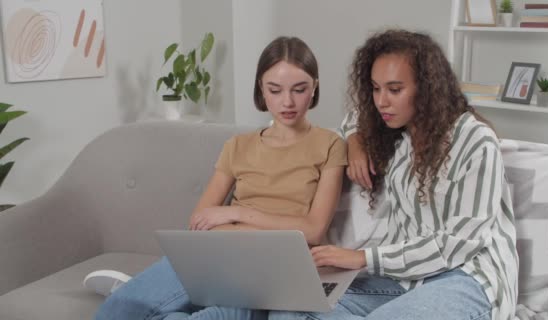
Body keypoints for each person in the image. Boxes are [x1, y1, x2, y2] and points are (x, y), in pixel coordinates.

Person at [90, 36, 347, 320]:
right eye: (275, 90)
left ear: (315, 87)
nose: (287, 102)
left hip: (275, 268)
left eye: (299, 90)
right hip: (221, 256)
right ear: (261, 89)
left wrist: (236, 213)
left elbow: (312, 230)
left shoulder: (330, 145)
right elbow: (200, 221)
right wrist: (246, 229)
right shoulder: (238, 145)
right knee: (124, 307)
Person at [269, 29, 518, 320]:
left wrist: (361, 258)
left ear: (426, 89)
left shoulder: (475, 140)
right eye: (375, 88)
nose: (381, 102)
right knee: (290, 309)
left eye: (394, 90)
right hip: (403, 280)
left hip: (465, 276)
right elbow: (353, 119)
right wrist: (355, 141)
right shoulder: (395, 138)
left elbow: (460, 242)